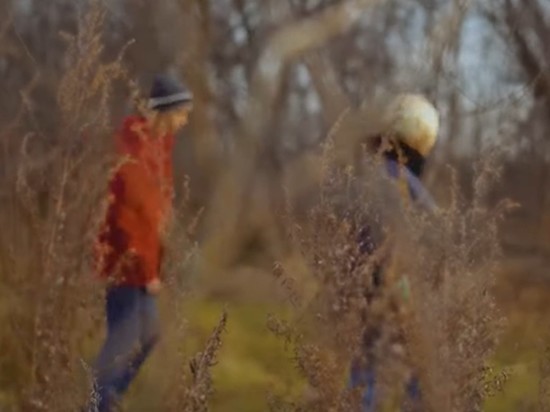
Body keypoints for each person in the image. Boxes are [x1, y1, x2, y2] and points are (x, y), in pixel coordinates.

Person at [89, 74, 193, 412]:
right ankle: (97, 404)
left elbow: (157, 212)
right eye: (181, 113)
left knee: (147, 336)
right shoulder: (132, 146)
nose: (185, 121)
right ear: (164, 112)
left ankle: (106, 400)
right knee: (121, 344)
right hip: (125, 261)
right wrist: (146, 269)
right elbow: (129, 215)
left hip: (145, 262)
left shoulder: (160, 149)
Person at [348, 94, 439, 411]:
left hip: (357, 294)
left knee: (363, 376)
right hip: (391, 297)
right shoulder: (403, 182)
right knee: (414, 380)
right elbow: (430, 238)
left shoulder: (367, 175)